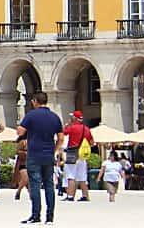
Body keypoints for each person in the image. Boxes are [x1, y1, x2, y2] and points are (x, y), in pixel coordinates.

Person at [16, 91, 64, 225]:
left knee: (35, 185)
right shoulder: (55, 117)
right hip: (48, 155)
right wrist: (54, 150)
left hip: (34, 154)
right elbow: (60, 138)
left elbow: (20, 131)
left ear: (35, 101)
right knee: (49, 185)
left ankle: (36, 215)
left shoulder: (31, 116)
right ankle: (50, 217)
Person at [61, 110, 93, 202]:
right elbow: (91, 142)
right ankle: (85, 195)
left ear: (75, 118)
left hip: (72, 152)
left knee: (71, 175)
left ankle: (70, 196)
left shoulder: (72, 128)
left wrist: (68, 124)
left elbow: (63, 132)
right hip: (82, 154)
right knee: (82, 176)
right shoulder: (86, 129)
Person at [13, 136, 29, 200]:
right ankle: (19, 191)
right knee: (25, 178)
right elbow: (17, 151)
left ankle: (31, 194)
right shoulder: (23, 142)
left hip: (32, 163)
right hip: (23, 163)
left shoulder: (35, 141)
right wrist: (26, 153)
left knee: (30, 180)